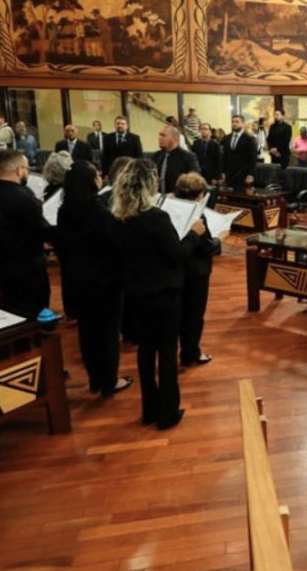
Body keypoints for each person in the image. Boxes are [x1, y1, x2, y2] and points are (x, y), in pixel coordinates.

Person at [111, 158, 206, 430]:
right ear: (148, 185)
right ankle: (167, 412)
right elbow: (176, 255)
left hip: (136, 293)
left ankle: (149, 409)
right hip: (164, 294)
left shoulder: (119, 219)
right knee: (166, 351)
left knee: (145, 351)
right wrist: (194, 234)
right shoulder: (157, 218)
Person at [57, 161, 129, 397]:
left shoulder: (64, 210)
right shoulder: (99, 213)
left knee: (87, 332)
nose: (101, 177)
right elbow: (115, 247)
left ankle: (95, 379)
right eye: (97, 174)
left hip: (77, 278)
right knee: (108, 333)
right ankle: (110, 381)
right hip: (104, 281)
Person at [0, 149, 52, 316]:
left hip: (0, 261)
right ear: (19, 170)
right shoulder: (25, 197)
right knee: (34, 308)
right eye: (26, 168)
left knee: (10, 305)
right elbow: (40, 229)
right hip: (28, 263)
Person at [174, 173, 219, 367]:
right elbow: (206, 246)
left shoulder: (169, 209)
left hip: (176, 270)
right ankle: (191, 353)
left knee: (179, 312)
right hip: (196, 271)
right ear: (200, 195)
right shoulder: (197, 215)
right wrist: (219, 239)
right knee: (194, 315)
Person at [152, 125, 201, 194]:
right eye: (159, 135)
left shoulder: (188, 157)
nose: (159, 138)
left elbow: (195, 180)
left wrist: (177, 193)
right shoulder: (156, 156)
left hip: (178, 199)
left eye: (163, 135)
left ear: (174, 138)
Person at [222, 115, 257, 190]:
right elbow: (225, 156)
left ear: (243, 124)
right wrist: (223, 172)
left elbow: (253, 158)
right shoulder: (227, 137)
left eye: (237, 122)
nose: (234, 123)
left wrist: (250, 174)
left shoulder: (249, 138)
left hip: (243, 173)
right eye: (233, 122)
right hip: (230, 174)